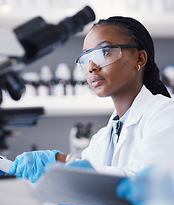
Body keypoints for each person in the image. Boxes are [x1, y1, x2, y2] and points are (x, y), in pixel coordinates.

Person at [8, 16, 174, 192]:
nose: (92, 67)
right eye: (86, 58)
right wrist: (48, 169)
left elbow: (146, 187)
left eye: (104, 52)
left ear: (139, 59)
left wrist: (68, 166)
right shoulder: (103, 138)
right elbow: (81, 189)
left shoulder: (165, 115)